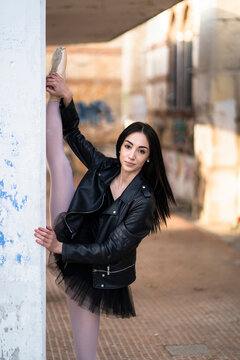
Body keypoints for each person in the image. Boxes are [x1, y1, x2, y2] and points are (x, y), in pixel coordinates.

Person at [34, 47, 175, 360]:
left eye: (140, 151)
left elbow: (111, 250)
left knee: (85, 352)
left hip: (95, 268)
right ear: (120, 145)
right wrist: (67, 96)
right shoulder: (107, 167)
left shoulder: (143, 201)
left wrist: (60, 248)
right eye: (128, 146)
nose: (131, 155)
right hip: (73, 229)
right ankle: (55, 95)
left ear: (148, 157)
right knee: (59, 163)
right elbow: (73, 135)